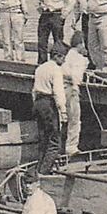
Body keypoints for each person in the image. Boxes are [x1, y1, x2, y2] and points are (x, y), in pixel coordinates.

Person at [32, 41, 68, 174]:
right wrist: (63, 112)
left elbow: (33, 90)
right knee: (54, 141)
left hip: (38, 103)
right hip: (48, 104)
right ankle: (44, 172)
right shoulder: (56, 70)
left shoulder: (40, 68)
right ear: (57, 56)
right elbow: (58, 92)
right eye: (63, 58)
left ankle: (38, 168)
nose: (64, 61)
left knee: (43, 139)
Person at [34, 0, 74, 64]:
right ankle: (42, 63)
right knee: (42, 41)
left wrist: (65, 14)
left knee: (58, 41)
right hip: (45, 15)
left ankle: (57, 63)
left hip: (56, 15)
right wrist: (38, 7)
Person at [62, 33, 89, 156]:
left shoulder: (67, 55)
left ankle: (59, 145)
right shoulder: (80, 59)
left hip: (61, 87)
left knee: (63, 118)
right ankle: (71, 146)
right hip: (71, 89)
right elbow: (76, 76)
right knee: (74, 119)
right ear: (80, 44)